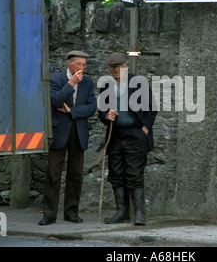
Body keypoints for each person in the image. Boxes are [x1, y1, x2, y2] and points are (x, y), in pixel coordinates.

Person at [98, 52, 157, 226]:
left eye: (119, 66)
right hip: (115, 134)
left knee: (134, 173)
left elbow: (152, 109)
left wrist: (144, 129)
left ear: (125, 65)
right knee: (116, 172)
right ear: (108, 68)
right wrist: (106, 115)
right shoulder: (106, 85)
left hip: (135, 134)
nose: (117, 69)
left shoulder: (139, 83)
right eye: (113, 67)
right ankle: (122, 212)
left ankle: (139, 213)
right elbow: (101, 111)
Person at [39, 50, 97, 226]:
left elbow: (92, 107)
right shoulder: (55, 79)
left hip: (78, 132)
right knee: (53, 174)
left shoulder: (87, 83)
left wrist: (71, 111)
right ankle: (49, 214)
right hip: (59, 133)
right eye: (79, 64)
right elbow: (55, 100)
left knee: (76, 174)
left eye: (84, 65)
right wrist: (71, 83)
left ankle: (71, 212)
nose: (82, 68)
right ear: (69, 63)